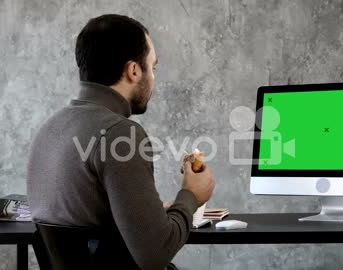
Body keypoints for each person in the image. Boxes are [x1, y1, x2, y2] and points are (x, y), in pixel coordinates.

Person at [26, 14, 215, 270]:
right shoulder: (121, 134)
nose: (153, 77)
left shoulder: (49, 130)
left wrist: (148, 211)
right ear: (134, 70)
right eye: (153, 67)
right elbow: (155, 256)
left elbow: (85, 220)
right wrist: (190, 195)